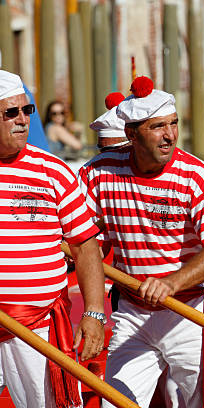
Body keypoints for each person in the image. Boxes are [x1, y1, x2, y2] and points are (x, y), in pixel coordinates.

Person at [79, 76, 204, 407]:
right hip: (133, 312)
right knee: (115, 401)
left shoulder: (196, 174)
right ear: (131, 134)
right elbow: (79, 236)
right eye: (158, 127)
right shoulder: (99, 172)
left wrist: (172, 282)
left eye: (173, 124)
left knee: (201, 403)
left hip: (189, 311)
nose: (170, 136)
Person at [0, 69, 106, 407]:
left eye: (27, 110)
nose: (22, 120)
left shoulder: (53, 171)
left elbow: (85, 246)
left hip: (37, 326)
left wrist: (93, 313)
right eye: (10, 112)